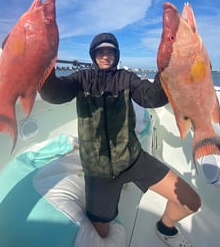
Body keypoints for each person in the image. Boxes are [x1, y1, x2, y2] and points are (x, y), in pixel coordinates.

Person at [40, 32, 201, 247]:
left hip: (132, 158)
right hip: (98, 170)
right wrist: (42, 64)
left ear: (116, 55)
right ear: (93, 55)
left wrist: (168, 69)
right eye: (100, 52)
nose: (105, 56)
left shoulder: (127, 79)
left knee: (190, 202)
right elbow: (55, 94)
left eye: (110, 52)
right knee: (101, 231)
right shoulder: (82, 78)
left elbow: (151, 97)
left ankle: (166, 228)